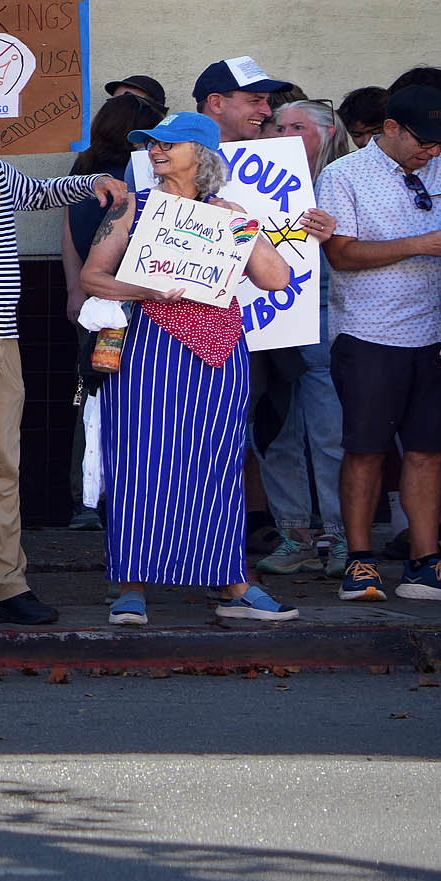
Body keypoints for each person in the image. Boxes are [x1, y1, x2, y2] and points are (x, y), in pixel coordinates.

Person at [83, 114, 314, 625]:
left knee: (217, 468)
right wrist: (145, 290)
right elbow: (93, 277)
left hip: (220, 351)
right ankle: (130, 588)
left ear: (202, 153)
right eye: (151, 144)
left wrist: (244, 226)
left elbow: (275, 279)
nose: (156, 150)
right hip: (147, 346)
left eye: (170, 143)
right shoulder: (131, 208)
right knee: (136, 465)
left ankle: (234, 586)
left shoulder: (226, 213)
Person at [313, 86, 441, 601]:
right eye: (424, 141)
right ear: (391, 129)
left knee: (430, 451)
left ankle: (426, 563)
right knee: (366, 449)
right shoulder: (344, 175)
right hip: (369, 332)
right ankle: (359, 563)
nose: (434, 151)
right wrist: (423, 245)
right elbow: (342, 255)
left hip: (440, 333)